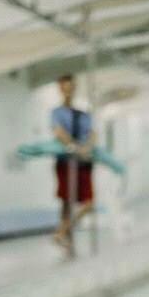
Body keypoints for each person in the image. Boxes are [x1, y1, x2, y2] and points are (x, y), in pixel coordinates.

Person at [51, 73, 94, 254]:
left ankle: (62, 232)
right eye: (64, 87)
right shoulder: (56, 113)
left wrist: (85, 148)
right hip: (65, 161)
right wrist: (73, 146)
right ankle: (67, 241)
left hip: (83, 162)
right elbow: (58, 132)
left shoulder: (83, 114)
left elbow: (92, 134)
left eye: (71, 87)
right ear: (60, 89)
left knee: (88, 203)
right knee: (67, 203)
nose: (68, 91)